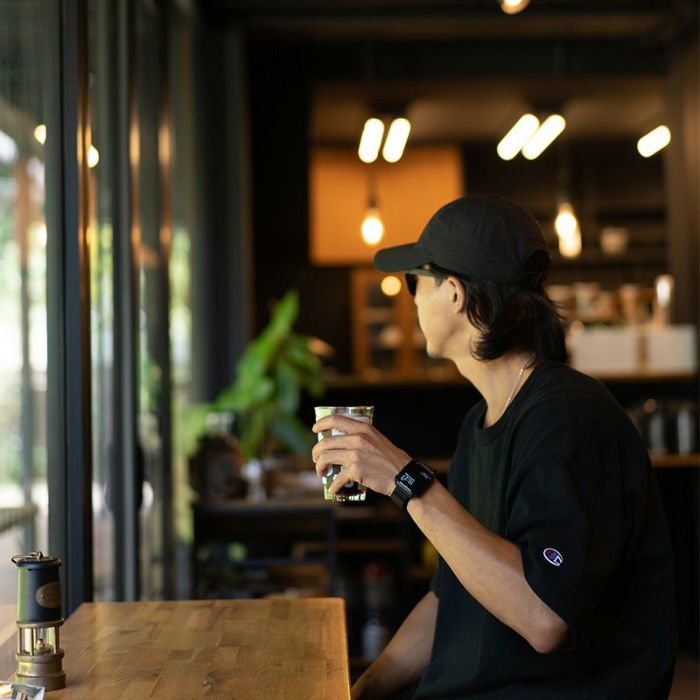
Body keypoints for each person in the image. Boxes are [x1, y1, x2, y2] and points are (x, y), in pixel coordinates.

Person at [312, 195, 676, 700]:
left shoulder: (565, 418)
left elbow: (546, 616)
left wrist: (405, 480)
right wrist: (362, 691)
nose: (412, 298)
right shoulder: (480, 421)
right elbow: (451, 595)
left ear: (454, 294)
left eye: (416, 281)